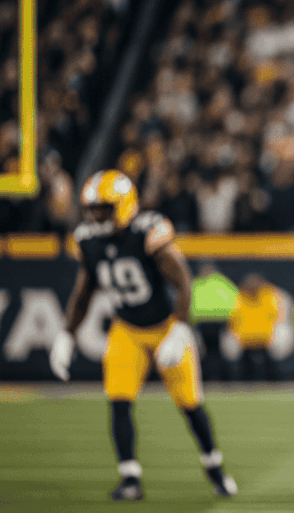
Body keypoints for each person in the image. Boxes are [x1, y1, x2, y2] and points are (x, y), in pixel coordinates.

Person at [48, 170, 237, 501]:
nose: (96, 216)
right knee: (119, 401)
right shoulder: (88, 241)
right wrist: (66, 335)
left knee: (190, 404)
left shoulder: (147, 232)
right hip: (127, 329)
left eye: (103, 209)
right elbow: (84, 292)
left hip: (165, 326)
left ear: (124, 205)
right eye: (92, 209)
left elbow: (183, 281)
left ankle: (215, 469)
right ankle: (130, 478)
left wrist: (179, 328)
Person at [228, 273, 282, 381]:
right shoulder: (240, 298)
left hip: (263, 337)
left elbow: (276, 312)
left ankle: (272, 383)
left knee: (269, 367)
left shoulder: (267, 296)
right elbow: (234, 318)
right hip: (246, 338)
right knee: (245, 367)